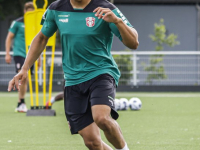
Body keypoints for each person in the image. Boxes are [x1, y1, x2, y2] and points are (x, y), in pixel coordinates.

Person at [8, 0, 139, 149]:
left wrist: (118, 22)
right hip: (72, 80)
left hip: (101, 72)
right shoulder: (56, 8)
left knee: (101, 118)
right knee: (92, 142)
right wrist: (25, 68)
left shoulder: (106, 8)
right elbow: (42, 37)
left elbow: (134, 43)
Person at [5, 2, 41, 113]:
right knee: (22, 77)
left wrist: (39, 58)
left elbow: (40, 42)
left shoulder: (36, 24)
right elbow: (9, 38)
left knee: (26, 79)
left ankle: (20, 102)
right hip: (19, 53)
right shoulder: (17, 23)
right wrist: (7, 53)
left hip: (31, 55)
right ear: (25, 12)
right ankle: (21, 102)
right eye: (28, 13)